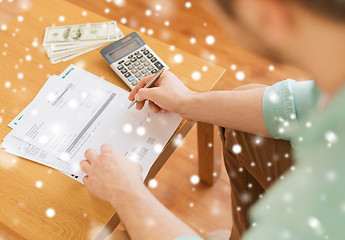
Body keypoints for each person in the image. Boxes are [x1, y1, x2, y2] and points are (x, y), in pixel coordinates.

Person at [79, 0, 345, 239]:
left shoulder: (326, 198)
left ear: (266, 14)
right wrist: (187, 102)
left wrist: (123, 190)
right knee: (245, 120)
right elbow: (293, 105)